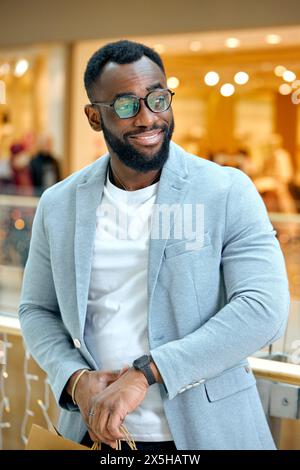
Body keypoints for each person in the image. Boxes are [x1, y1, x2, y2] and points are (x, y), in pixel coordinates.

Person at [19, 40, 289, 451]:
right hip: (94, 435)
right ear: (95, 117)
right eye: (127, 105)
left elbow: (262, 308)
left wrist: (147, 373)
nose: (149, 118)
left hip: (208, 431)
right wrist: (74, 380)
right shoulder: (59, 204)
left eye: (158, 98)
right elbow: (37, 310)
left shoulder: (226, 190)